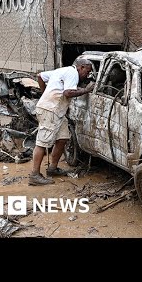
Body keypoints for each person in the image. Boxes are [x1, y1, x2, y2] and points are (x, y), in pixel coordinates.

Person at [28, 58, 94, 186]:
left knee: (63, 138)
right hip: (51, 110)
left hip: (56, 111)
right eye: (87, 71)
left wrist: (44, 94)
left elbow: (40, 76)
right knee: (42, 143)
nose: (88, 75)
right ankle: (34, 175)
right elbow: (68, 93)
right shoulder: (73, 74)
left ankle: (52, 169)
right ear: (81, 67)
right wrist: (86, 90)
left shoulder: (62, 71)